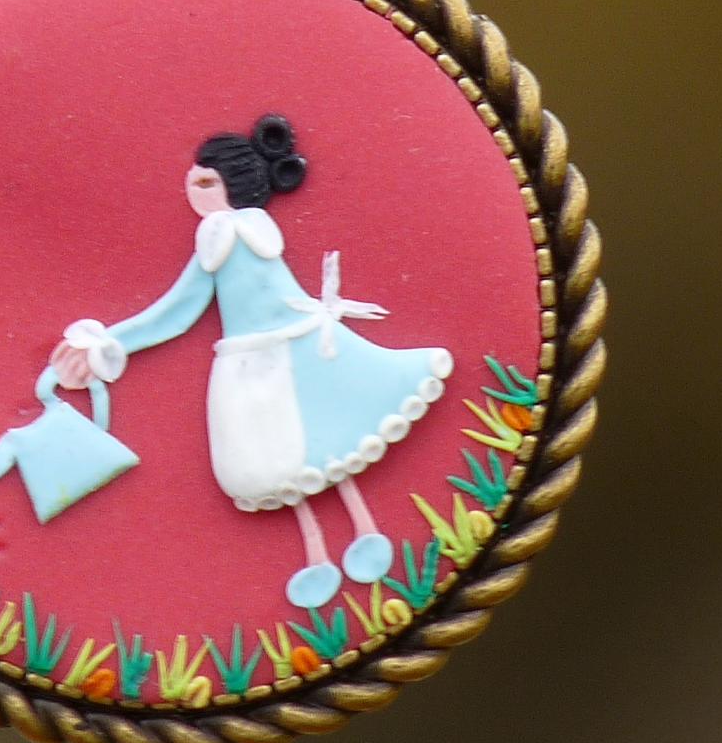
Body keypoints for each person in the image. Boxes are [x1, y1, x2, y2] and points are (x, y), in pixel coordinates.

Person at [51, 115, 452, 608]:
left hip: (282, 349)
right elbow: (179, 312)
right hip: (260, 353)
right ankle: (322, 554)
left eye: (204, 182)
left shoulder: (226, 236)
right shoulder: (234, 236)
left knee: (313, 439)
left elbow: (178, 310)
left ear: (231, 186)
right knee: (284, 450)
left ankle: (358, 536)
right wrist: (111, 342)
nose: (192, 191)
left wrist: (108, 343)